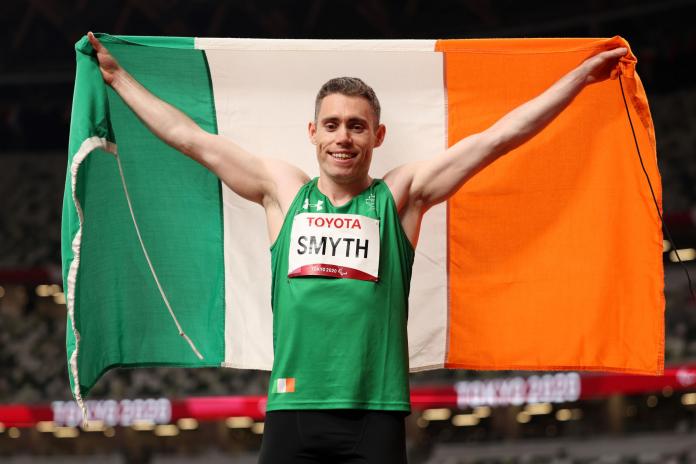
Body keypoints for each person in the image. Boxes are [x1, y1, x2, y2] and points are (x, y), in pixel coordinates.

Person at [86, 32, 627, 463]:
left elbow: (496, 140)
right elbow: (190, 139)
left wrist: (579, 78)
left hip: (375, 417)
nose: (344, 136)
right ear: (313, 133)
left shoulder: (400, 197)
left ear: (377, 136)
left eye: (356, 126)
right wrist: (117, 78)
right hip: (293, 411)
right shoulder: (282, 191)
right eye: (333, 125)